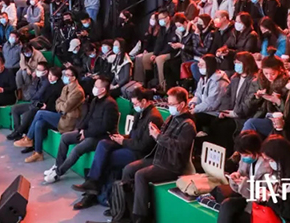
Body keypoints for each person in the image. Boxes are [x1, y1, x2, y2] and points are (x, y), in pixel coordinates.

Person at [72, 88, 164, 210]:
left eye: (135, 103)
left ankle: (93, 192)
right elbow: (132, 136)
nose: (134, 106)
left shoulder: (153, 117)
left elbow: (143, 146)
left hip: (140, 153)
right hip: (131, 145)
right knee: (103, 144)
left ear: (143, 101)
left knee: (106, 158)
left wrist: (123, 141)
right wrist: (120, 138)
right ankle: (92, 183)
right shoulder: (140, 113)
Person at [122, 87, 196, 223]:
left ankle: (141, 217)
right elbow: (162, 138)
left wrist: (158, 136)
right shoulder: (171, 118)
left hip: (172, 165)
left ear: (182, 104)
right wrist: (156, 133)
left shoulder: (188, 125)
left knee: (140, 175)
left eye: (172, 104)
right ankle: (128, 211)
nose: (169, 106)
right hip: (159, 159)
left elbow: (179, 147)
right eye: (168, 103)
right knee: (128, 169)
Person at [43, 75, 120, 184]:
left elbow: (105, 127)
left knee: (77, 150)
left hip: (101, 137)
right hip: (88, 132)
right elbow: (88, 117)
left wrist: (86, 133)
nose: (94, 88)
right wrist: (81, 129)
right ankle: (57, 165)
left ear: (103, 90)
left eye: (96, 86)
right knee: (65, 138)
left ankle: (58, 173)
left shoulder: (110, 104)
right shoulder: (95, 100)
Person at [17, 66, 85, 161]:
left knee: (40, 113)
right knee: (39, 123)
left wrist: (61, 106)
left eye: (67, 75)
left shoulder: (78, 92)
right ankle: (38, 153)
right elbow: (59, 102)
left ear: (73, 77)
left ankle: (28, 138)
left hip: (68, 120)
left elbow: (65, 107)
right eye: (65, 74)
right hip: (61, 115)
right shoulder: (66, 87)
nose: (65, 76)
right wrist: (61, 106)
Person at [7, 64, 62, 141]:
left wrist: (45, 106)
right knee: (15, 109)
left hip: (44, 108)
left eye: (52, 76)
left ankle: (20, 132)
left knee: (30, 112)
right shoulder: (37, 79)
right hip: (36, 103)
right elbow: (31, 91)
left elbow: (42, 97)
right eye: (49, 75)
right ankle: (17, 131)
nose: (50, 77)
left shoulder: (54, 86)